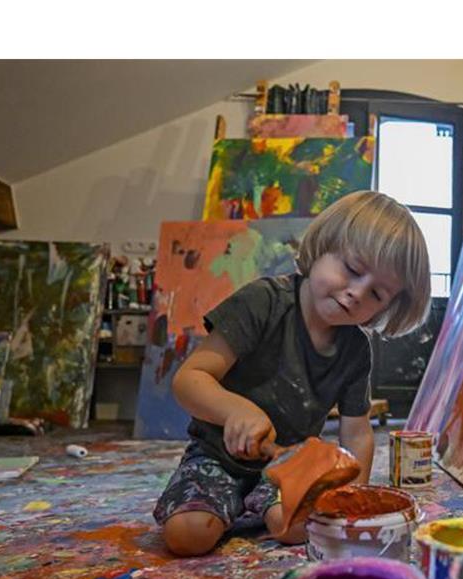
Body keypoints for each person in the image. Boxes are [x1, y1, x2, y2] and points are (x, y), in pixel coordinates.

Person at [154, 191, 431, 556]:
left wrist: (354, 495)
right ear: (323, 247)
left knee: (299, 529)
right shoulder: (264, 301)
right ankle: (234, 502)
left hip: (287, 463)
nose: (355, 293)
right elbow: (189, 379)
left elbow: (357, 431)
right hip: (215, 456)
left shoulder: (356, 349)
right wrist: (234, 410)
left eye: (376, 294)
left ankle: (255, 503)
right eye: (351, 269)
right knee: (188, 535)